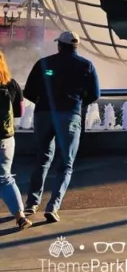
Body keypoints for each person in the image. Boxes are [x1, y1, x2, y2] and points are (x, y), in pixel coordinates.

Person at [22, 31, 100, 223]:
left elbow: (29, 91)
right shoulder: (86, 65)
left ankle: (32, 203)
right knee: (66, 164)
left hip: (44, 115)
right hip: (70, 116)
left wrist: (43, 103)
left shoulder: (44, 63)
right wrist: (77, 104)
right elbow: (94, 93)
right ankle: (53, 206)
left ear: (59, 45)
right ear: (76, 46)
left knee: (42, 158)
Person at [0, 50, 31, 230]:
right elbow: (19, 112)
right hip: (5, 139)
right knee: (5, 179)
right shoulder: (11, 84)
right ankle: (20, 217)